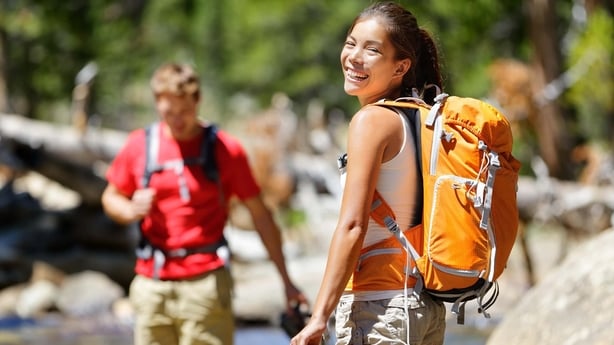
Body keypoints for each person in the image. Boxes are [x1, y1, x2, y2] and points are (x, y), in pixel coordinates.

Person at [101, 62, 307, 345]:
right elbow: (110, 196)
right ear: (156, 103)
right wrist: (129, 209)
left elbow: (261, 215)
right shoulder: (140, 145)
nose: (177, 120)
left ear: (197, 101)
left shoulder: (224, 149)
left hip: (207, 285)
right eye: (168, 112)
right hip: (152, 285)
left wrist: (286, 280)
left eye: (184, 112)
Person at [291, 2, 447, 345]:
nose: (354, 57)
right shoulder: (423, 117)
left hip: (380, 308)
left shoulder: (371, 121)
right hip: (422, 306)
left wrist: (319, 317)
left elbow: (352, 226)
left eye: (372, 50)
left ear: (400, 66)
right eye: (351, 43)